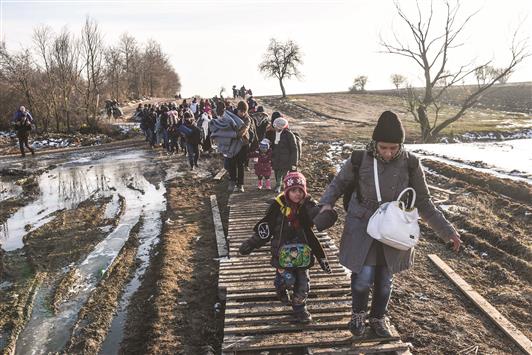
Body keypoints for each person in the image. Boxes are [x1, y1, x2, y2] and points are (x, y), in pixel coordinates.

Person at [319, 111, 462, 338]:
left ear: (400, 145)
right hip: (362, 226)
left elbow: (424, 201)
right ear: (375, 143)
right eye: (383, 147)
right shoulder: (359, 159)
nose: (387, 153)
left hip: (395, 228)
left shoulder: (411, 164)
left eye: (393, 148)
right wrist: (326, 204)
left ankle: (378, 318)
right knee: (362, 277)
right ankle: (358, 315)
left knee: (385, 279)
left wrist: (448, 232)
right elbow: (338, 184)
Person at [238, 171, 332, 323]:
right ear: (287, 191)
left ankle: (300, 308)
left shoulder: (308, 206)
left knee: (303, 284)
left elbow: (316, 214)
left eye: (300, 191)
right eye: (293, 190)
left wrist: (326, 215)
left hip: (302, 254)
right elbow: (265, 230)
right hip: (281, 255)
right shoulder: (277, 207)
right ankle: (280, 286)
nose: (297, 194)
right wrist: (250, 244)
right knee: (287, 280)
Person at [271, 116, 298, 193]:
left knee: (281, 173)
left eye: (276, 126)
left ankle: (278, 186)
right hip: (276, 158)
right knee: (276, 172)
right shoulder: (275, 133)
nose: (274, 128)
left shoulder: (289, 135)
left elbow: (294, 149)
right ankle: (281, 184)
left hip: (285, 159)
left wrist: (294, 162)